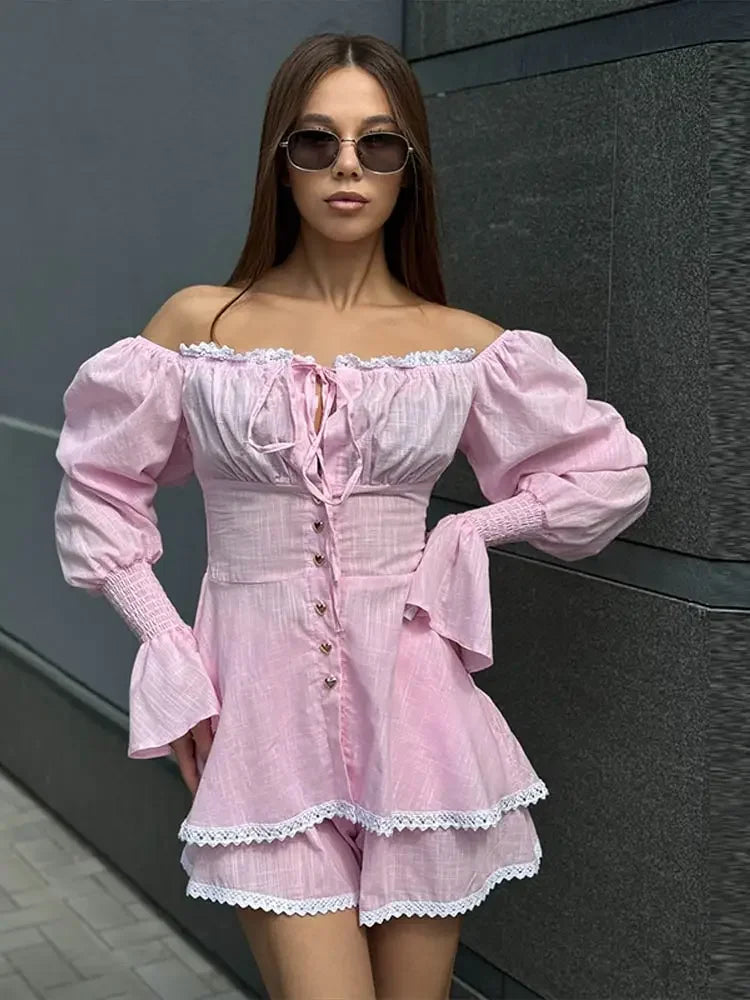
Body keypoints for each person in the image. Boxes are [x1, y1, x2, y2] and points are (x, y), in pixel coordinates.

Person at [53, 31, 651, 1000]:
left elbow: (608, 474)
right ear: (277, 162)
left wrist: (472, 529)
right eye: (315, 142)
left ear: (410, 167)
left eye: (379, 145)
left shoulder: (462, 348)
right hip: (257, 720)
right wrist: (170, 648)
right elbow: (98, 489)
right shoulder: (198, 326)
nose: (346, 167)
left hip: (420, 720)